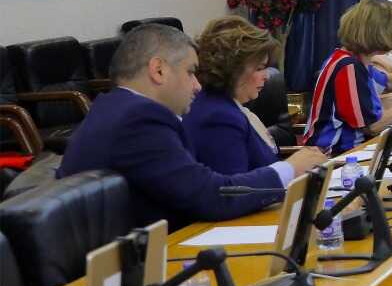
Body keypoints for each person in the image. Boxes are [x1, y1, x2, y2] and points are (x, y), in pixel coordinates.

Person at [58, 25, 326, 229]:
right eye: (190, 72)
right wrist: (290, 169)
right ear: (158, 70)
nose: (197, 86)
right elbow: (211, 196)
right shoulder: (139, 120)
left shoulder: (113, 107)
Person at [304, 0, 392, 154]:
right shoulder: (349, 67)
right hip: (336, 155)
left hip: (355, 150)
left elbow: (386, 83)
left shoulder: (353, 59)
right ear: (381, 33)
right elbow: (372, 126)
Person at [183, 16, 286, 176]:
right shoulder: (219, 117)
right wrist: (292, 167)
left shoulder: (224, 105)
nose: (266, 76)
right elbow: (235, 188)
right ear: (233, 69)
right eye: (259, 68)